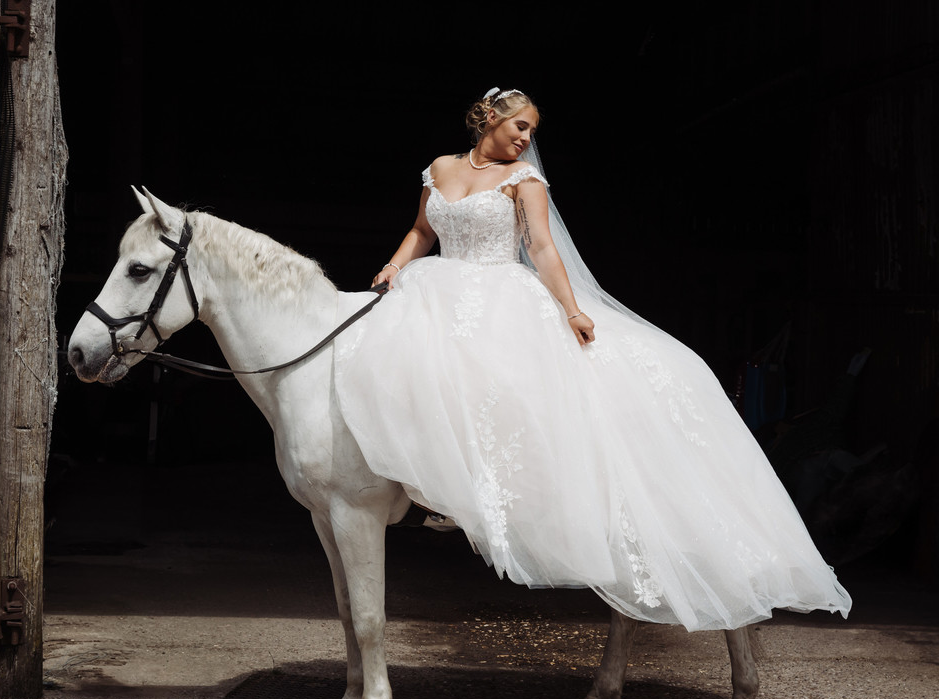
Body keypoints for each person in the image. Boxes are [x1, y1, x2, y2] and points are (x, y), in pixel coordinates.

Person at [333, 87, 852, 632]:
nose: (527, 139)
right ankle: (422, 486)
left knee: (499, 383)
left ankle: (470, 499)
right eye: (521, 127)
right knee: (394, 366)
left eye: (533, 131)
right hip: (435, 287)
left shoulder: (525, 181)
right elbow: (421, 231)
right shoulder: (438, 168)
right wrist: (394, 267)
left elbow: (541, 248)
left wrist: (572, 310)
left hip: (499, 294)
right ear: (490, 118)